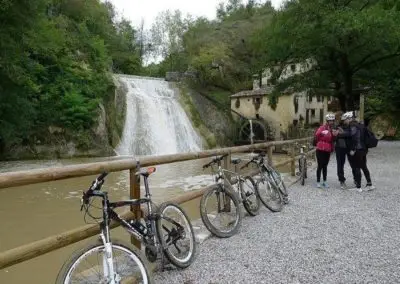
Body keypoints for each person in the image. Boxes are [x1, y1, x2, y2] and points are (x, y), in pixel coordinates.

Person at [341, 111, 375, 192]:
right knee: (364, 166)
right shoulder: (360, 125)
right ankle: (369, 184)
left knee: (356, 167)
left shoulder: (352, 125)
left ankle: (358, 187)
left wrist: (353, 149)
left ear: (349, 118)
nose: (344, 121)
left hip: (357, 150)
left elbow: (355, 138)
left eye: (345, 119)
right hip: (364, 149)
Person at [314, 113, 337, 188]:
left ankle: (324, 181)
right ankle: (318, 181)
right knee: (320, 165)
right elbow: (317, 135)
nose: (331, 122)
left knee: (325, 166)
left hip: (327, 149)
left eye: (332, 121)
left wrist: (334, 135)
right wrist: (322, 133)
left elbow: (333, 140)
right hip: (320, 149)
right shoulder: (322, 127)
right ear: (327, 121)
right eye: (330, 121)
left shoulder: (332, 129)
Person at [335, 115, 352, 189]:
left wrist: (342, 133)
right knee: (340, 164)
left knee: (353, 164)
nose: (348, 120)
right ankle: (342, 180)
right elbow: (335, 135)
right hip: (340, 148)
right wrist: (342, 134)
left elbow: (351, 134)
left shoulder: (351, 126)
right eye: (346, 119)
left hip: (349, 147)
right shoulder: (338, 126)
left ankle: (356, 179)